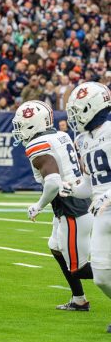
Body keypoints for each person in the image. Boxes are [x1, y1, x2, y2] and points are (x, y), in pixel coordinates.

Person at [12, 100, 94, 312]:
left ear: (33, 124)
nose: (19, 130)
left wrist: (38, 205)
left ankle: (82, 297)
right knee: (55, 247)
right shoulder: (61, 135)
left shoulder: (37, 146)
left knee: (79, 268)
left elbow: (53, 182)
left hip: (72, 208)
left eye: (21, 125)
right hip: (72, 203)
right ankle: (79, 299)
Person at [63, 82, 111, 329]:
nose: (73, 116)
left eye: (78, 110)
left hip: (107, 204)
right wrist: (71, 187)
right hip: (101, 212)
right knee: (102, 276)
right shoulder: (83, 139)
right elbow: (91, 183)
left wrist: (108, 195)